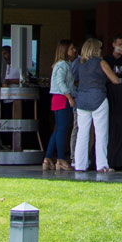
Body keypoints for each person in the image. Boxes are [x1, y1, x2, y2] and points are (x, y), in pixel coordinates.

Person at [71, 37, 121, 173]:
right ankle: (102, 165)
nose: (100, 50)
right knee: (101, 133)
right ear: (95, 49)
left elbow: (73, 79)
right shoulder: (101, 62)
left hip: (82, 99)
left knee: (82, 133)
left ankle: (80, 164)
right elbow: (115, 80)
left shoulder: (79, 63)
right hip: (98, 98)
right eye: (99, 48)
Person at [45, 40, 75, 172]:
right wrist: (69, 96)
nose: (74, 51)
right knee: (62, 129)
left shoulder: (62, 64)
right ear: (65, 50)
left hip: (57, 98)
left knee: (58, 129)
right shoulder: (63, 64)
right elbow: (60, 81)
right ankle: (61, 159)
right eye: (72, 48)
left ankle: (47, 158)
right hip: (62, 98)